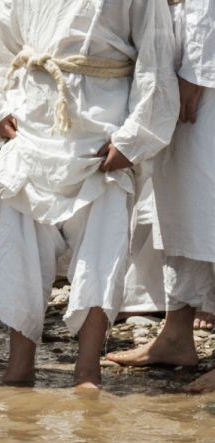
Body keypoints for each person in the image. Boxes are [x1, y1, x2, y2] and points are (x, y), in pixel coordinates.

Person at [0, 0, 176, 388]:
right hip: (33, 122)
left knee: (101, 254)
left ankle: (88, 369)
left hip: (102, 132)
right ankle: (19, 365)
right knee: (20, 249)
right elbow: (0, 41)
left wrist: (132, 139)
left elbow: (155, 60)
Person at [105, 0, 215, 391]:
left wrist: (196, 73)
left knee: (209, 206)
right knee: (182, 206)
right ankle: (176, 335)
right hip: (178, 52)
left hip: (201, 69)